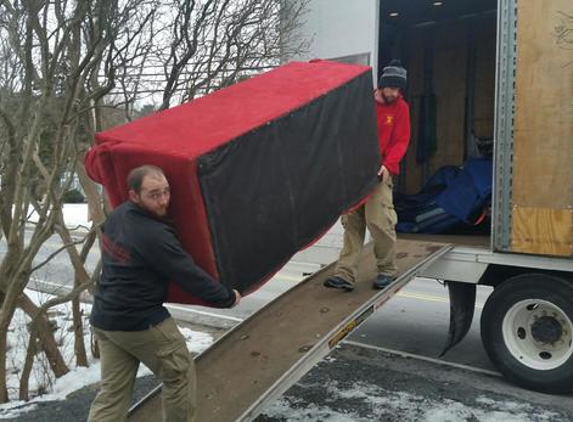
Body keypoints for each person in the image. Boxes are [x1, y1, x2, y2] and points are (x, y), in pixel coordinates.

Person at [88, 165, 241, 422]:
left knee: (112, 395)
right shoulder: (153, 234)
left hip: (105, 320)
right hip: (140, 321)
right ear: (134, 195)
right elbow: (188, 273)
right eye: (154, 195)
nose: (163, 201)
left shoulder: (118, 216)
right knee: (179, 374)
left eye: (166, 192)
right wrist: (227, 297)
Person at [324, 60, 411, 292]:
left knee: (379, 221)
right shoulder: (362, 103)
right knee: (352, 223)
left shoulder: (401, 108)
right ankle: (345, 274)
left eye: (399, 89)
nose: (396, 93)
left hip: (379, 173)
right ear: (382, 85)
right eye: (392, 88)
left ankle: (387, 270)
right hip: (354, 174)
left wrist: (389, 165)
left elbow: (401, 140)